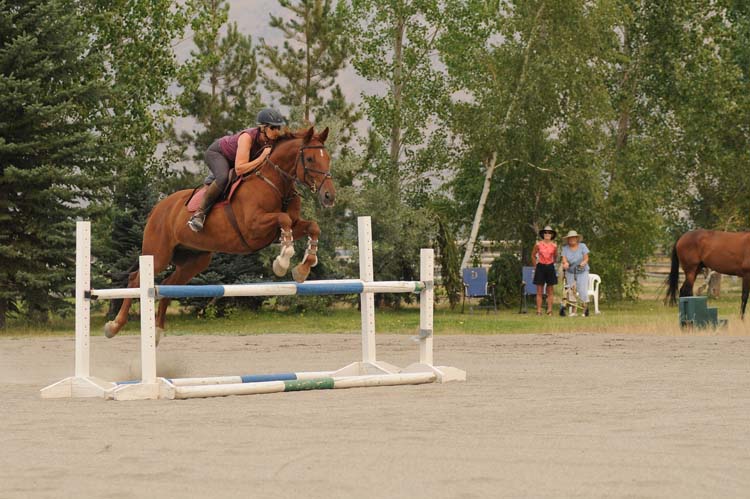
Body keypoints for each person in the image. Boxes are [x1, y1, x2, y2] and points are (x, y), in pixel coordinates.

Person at [187, 108, 287, 232]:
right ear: (262, 128)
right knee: (223, 178)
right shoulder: (247, 137)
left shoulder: (272, 140)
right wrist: (262, 157)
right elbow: (240, 169)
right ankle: (199, 214)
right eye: (273, 128)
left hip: (237, 161)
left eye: (278, 128)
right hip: (219, 154)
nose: (277, 132)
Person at [561, 230, 590, 316]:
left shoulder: (582, 246)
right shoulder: (565, 248)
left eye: (574, 237)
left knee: (582, 289)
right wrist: (565, 263)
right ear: (568, 239)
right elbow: (564, 259)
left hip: (582, 271)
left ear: (577, 238)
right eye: (570, 238)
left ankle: (585, 310)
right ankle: (574, 312)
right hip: (570, 271)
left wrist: (583, 262)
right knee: (571, 290)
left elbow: (586, 258)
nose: (572, 239)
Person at [531, 225, 558, 315]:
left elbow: (555, 256)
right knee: (539, 290)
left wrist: (552, 264)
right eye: (545, 232)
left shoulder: (554, 246)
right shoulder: (538, 244)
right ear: (543, 234)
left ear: (552, 235)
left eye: (549, 232)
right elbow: (533, 255)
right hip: (540, 267)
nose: (547, 234)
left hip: (550, 267)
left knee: (550, 290)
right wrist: (535, 266)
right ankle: (538, 311)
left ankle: (549, 310)